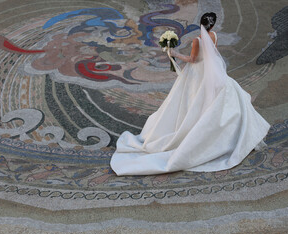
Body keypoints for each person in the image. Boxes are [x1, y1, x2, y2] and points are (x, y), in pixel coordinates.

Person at [110, 12, 270, 176]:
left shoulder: (197, 40)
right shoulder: (214, 35)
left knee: (190, 100)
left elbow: (193, 59)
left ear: (201, 24)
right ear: (212, 25)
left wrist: (175, 54)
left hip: (197, 72)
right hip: (212, 71)